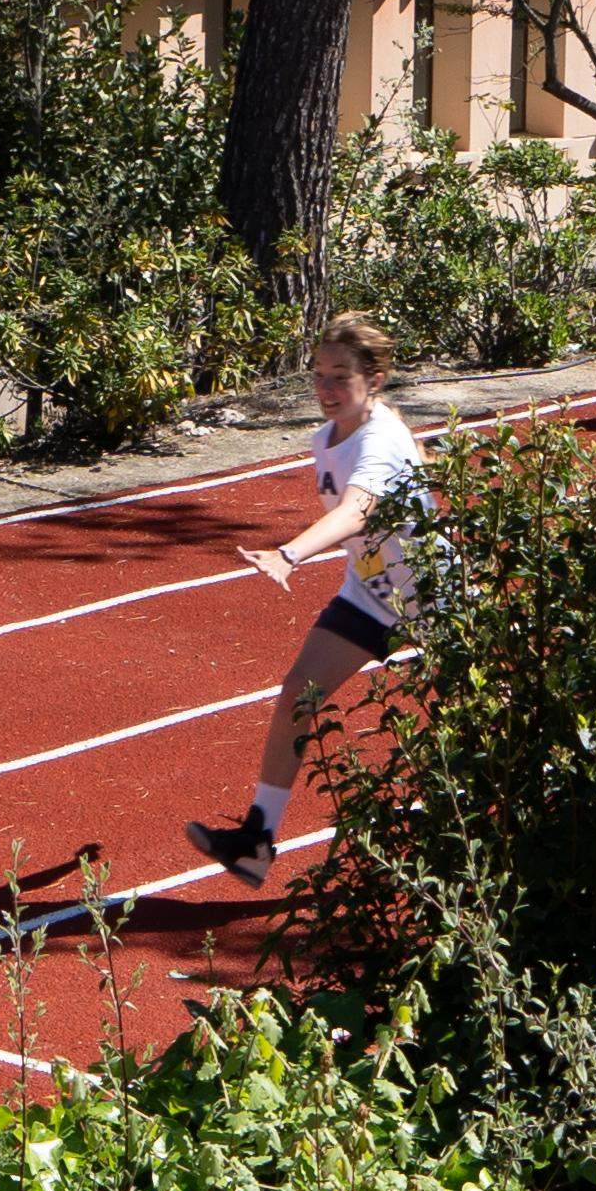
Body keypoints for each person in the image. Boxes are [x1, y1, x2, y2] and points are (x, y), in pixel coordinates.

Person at [185, 309, 426, 890]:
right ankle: (256, 840)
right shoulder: (325, 438)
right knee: (298, 694)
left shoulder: (383, 439)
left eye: (340, 375)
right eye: (318, 374)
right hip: (369, 597)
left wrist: (290, 554)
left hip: (431, 600)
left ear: (375, 378)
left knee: (476, 719)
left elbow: (356, 511)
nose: (326, 388)